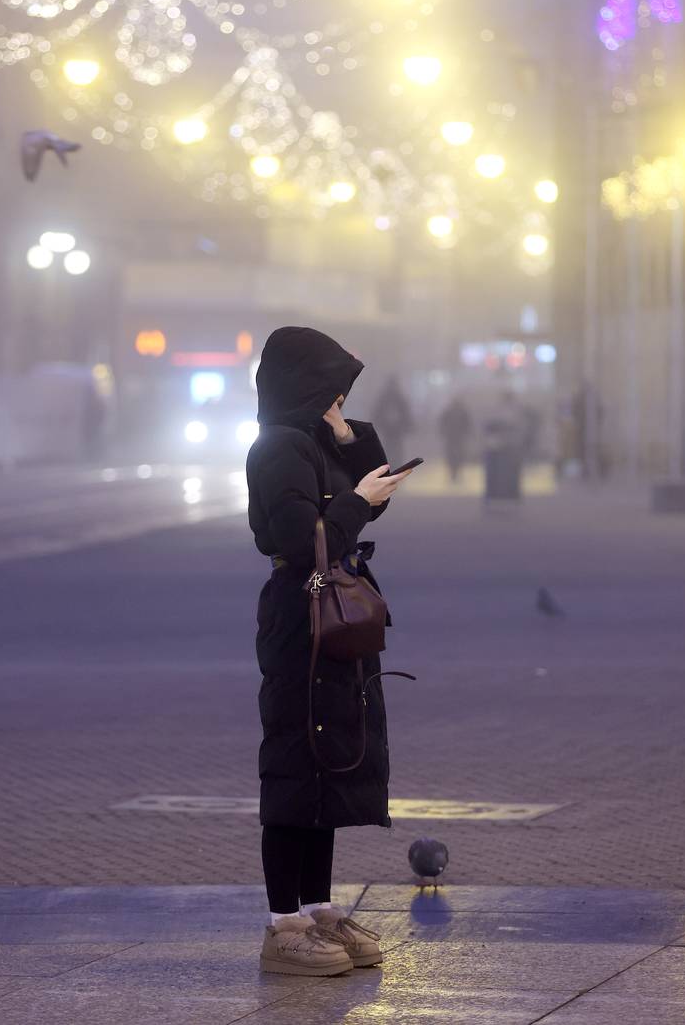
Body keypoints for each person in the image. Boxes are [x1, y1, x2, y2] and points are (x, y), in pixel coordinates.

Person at [245, 327, 413, 977]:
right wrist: (355, 502)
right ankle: (282, 921)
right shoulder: (276, 446)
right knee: (296, 760)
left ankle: (317, 907)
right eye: (331, 388)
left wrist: (350, 439)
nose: (339, 399)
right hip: (302, 612)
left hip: (336, 610)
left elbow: (368, 507)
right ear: (303, 385)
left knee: (329, 759)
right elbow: (303, 539)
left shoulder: (314, 439)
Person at [370, 376, 414, 473]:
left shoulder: (384, 397)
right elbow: (406, 413)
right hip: (396, 429)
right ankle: (396, 466)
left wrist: (376, 425)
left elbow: (377, 413)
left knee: (390, 448)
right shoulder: (399, 397)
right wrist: (408, 426)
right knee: (396, 448)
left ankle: (390, 466)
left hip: (389, 429)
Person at [438, 395, 472, 483]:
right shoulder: (461, 412)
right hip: (456, 437)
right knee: (456, 456)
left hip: (453, 437)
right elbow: (468, 424)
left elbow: (442, 423)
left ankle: (454, 474)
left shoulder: (450, 411)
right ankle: (455, 474)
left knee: (454, 456)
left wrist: (442, 431)